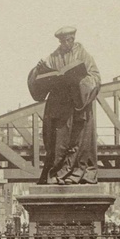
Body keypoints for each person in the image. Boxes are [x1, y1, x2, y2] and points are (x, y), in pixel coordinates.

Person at [28, 26, 101, 185]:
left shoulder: (84, 56)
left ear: (73, 39)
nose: (66, 43)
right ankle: (56, 174)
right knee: (57, 142)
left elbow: (95, 78)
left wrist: (80, 83)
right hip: (59, 106)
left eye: (69, 40)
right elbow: (38, 85)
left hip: (77, 106)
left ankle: (75, 173)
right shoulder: (53, 57)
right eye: (63, 41)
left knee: (78, 141)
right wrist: (38, 70)